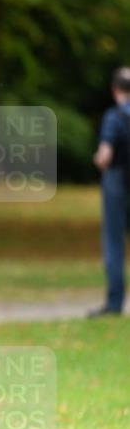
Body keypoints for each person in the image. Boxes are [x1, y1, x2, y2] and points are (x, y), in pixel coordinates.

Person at [89, 67, 130, 317]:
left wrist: (97, 160)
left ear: (115, 90)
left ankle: (115, 304)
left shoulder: (114, 117)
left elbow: (105, 156)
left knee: (114, 243)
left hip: (117, 183)